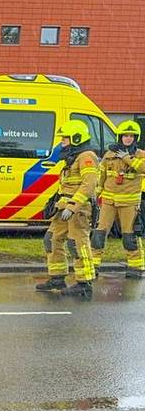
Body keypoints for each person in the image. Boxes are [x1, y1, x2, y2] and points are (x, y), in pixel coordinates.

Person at [37, 120, 99, 297]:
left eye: (65, 139)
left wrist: (72, 207)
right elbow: (67, 185)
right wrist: (54, 202)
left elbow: (89, 185)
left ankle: (84, 283)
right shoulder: (72, 157)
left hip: (78, 209)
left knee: (77, 243)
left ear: (77, 139)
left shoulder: (86, 157)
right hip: (63, 207)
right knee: (51, 239)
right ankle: (57, 278)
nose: (62, 142)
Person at [92, 121, 145, 279]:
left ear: (136, 138)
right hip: (109, 201)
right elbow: (101, 176)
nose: (128, 138)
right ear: (119, 137)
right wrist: (96, 194)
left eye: (131, 136)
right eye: (125, 135)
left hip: (129, 204)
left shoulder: (140, 155)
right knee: (99, 234)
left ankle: (135, 267)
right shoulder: (109, 154)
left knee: (130, 236)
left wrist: (127, 158)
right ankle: (93, 266)